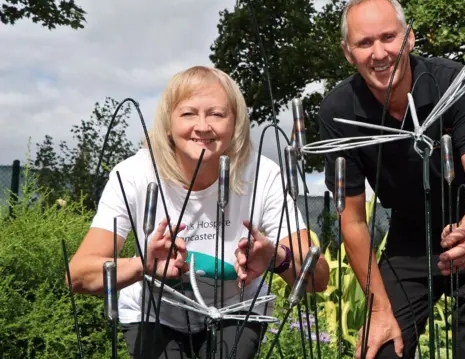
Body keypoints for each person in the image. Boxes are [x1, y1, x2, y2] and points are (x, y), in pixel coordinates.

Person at [67, 66, 329, 359]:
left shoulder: (262, 174)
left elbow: (318, 278)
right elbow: (77, 274)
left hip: (237, 308)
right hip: (154, 313)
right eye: (188, 113)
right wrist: (143, 265)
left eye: (217, 114)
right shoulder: (134, 174)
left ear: (236, 123)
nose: (203, 126)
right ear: (168, 124)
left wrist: (275, 257)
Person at [316, 0, 465, 358]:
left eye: (388, 37)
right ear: (348, 53)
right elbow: (351, 219)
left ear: (409, 38)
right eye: (365, 43)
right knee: (382, 348)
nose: (379, 53)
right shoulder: (338, 113)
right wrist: (379, 310)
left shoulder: (453, 83)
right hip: (411, 231)